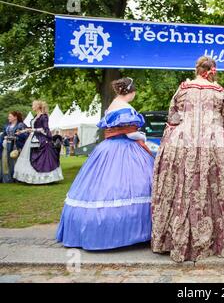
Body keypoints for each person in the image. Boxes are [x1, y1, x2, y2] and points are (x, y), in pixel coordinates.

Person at [151, 56, 224, 262]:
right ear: (212, 71)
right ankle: (219, 237)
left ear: (196, 70)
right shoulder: (219, 91)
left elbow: (173, 116)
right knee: (216, 185)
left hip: (183, 141)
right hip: (215, 141)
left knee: (180, 183)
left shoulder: (182, 89)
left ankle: (174, 238)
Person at [56, 77, 155, 250]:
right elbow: (130, 133)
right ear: (131, 92)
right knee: (135, 184)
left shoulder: (111, 106)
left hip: (106, 149)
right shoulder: (125, 108)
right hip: (126, 149)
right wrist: (143, 137)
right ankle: (130, 233)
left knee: (99, 184)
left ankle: (90, 230)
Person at [13, 101, 63, 184]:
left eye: (33, 105)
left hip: (41, 139)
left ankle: (45, 179)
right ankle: (31, 178)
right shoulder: (36, 116)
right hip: (33, 138)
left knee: (42, 158)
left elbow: (44, 129)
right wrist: (22, 131)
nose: (32, 106)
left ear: (38, 106)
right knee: (30, 157)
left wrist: (31, 130)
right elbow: (33, 128)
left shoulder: (44, 116)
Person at [0, 111, 29, 183]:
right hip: (6, 146)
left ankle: (17, 178)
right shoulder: (7, 126)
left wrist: (16, 137)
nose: (8, 118)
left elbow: (25, 135)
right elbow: (3, 135)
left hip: (16, 147)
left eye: (10, 116)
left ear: (15, 117)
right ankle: (8, 179)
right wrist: (2, 139)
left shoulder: (21, 125)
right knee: (6, 161)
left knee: (15, 162)